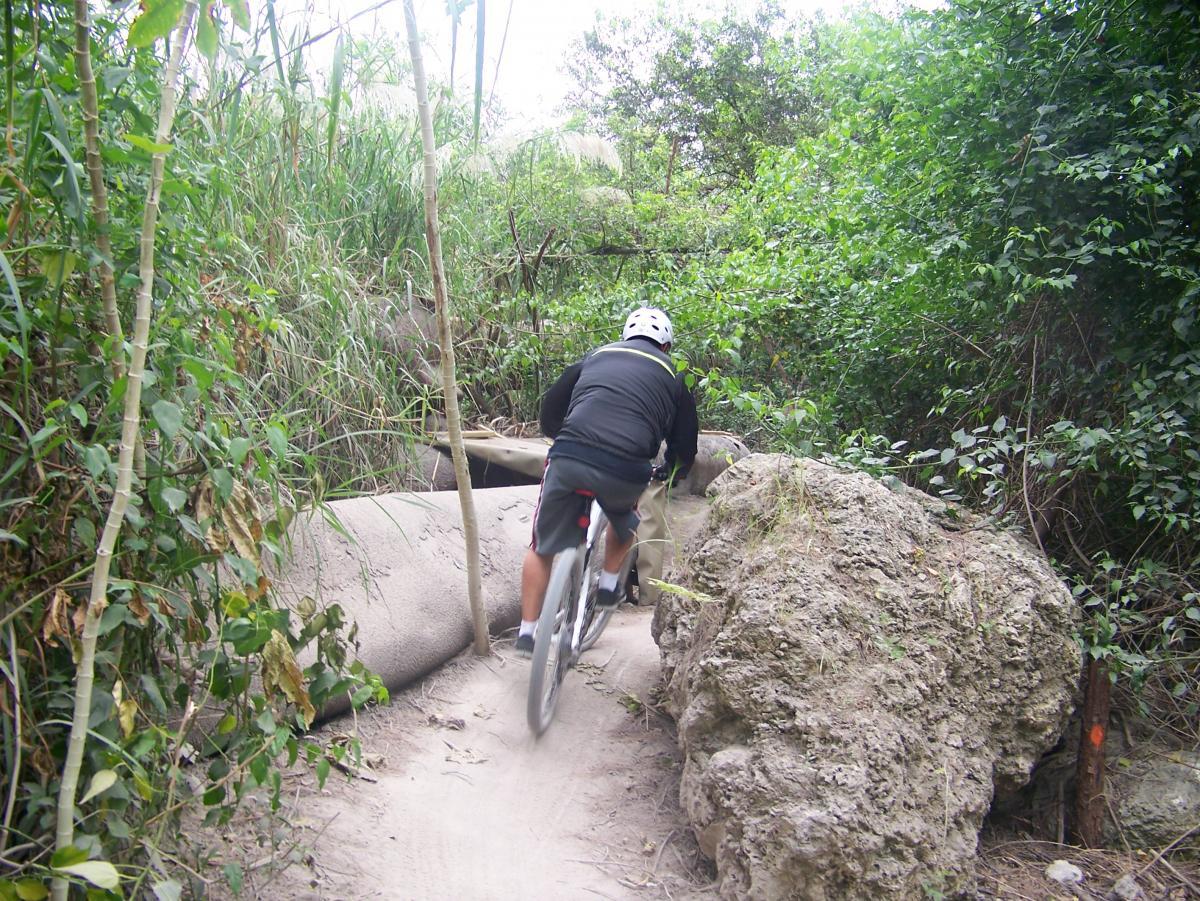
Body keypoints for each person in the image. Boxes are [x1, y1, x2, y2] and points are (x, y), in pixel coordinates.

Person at [516, 307, 699, 657]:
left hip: (570, 457)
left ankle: (527, 632)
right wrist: (672, 470)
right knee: (626, 515)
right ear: (666, 346)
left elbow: (552, 407)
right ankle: (610, 583)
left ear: (626, 336)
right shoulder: (674, 375)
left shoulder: (595, 356)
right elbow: (684, 442)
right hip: (625, 466)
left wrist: (558, 435)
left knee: (541, 547)